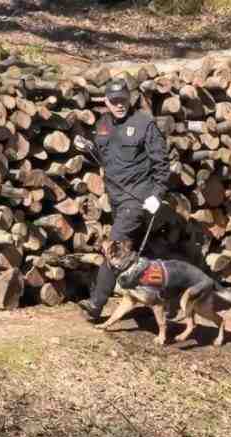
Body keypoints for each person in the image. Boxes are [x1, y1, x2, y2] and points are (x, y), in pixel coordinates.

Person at [74, 78, 170, 322]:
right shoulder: (104, 124)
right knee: (135, 253)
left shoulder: (144, 123)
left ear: (130, 99)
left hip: (137, 199)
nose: (119, 105)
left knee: (115, 248)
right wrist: (86, 147)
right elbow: (101, 155)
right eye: (114, 101)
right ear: (106, 101)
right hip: (116, 199)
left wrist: (157, 195)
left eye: (123, 101)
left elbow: (161, 163)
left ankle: (96, 304)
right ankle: (161, 299)